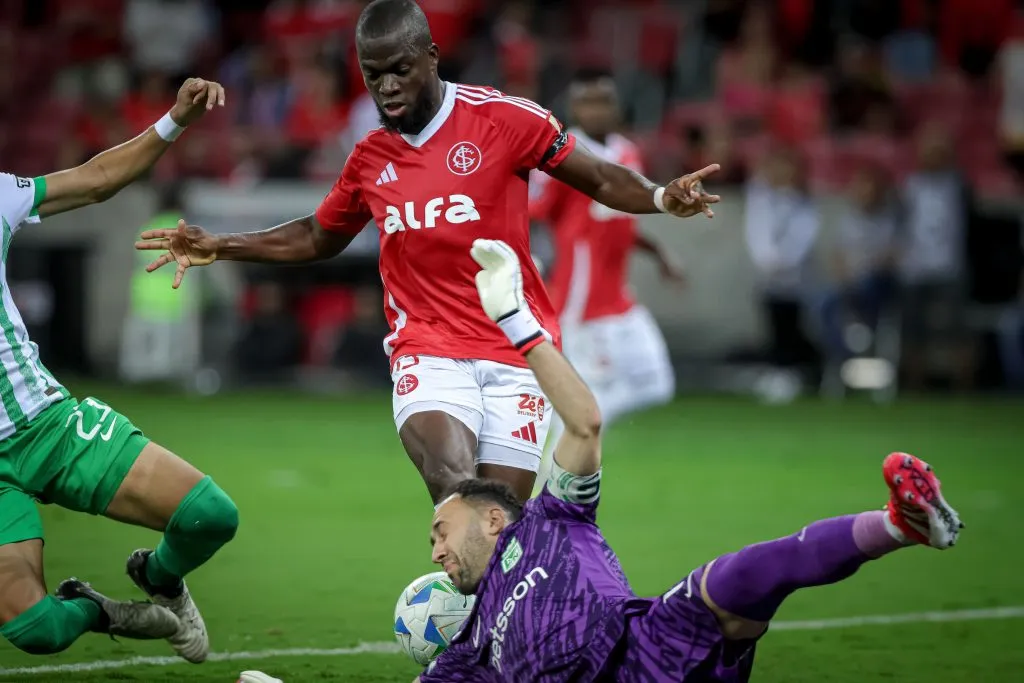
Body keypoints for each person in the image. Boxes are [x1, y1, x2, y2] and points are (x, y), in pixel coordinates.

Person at [134, 0, 720, 506]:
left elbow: (597, 177)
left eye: (400, 69)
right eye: (373, 75)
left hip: (515, 350)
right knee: (458, 490)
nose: (387, 86)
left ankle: (485, 600)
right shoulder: (370, 157)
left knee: (499, 523)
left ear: (432, 58)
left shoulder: (504, 120)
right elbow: (317, 235)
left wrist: (661, 197)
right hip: (428, 348)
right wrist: (222, 245)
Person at [417, 238, 964, 682]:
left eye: (442, 531)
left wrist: (515, 320)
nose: (436, 551)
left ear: (493, 518)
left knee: (730, 582)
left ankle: (900, 525)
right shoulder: (469, 649)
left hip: (647, 646)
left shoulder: (553, 513)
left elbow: (584, 422)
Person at [0, 77, 235, 664]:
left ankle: (159, 575)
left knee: (210, 516)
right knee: (37, 630)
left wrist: (174, 120)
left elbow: (97, 179)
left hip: (46, 427)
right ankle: (98, 609)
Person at [529, 69, 682, 483]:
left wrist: (658, 255)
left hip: (620, 297)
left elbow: (622, 220)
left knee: (657, 382)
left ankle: (582, 424)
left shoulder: (627, 151)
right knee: (580, 393)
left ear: (616, 106)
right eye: (587, 101)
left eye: (604, 100)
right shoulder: (563, 156)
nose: (596, 109)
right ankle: (547, 481)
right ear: (574, 107)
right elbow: (533, 213)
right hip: (581, 302)